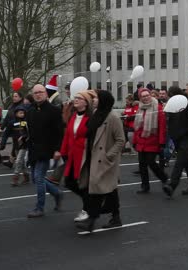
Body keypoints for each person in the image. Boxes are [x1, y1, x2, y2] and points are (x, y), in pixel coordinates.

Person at [75, 90, 125, 231]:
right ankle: (116, 217)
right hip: (92, 156)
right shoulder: (96, 115)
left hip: (103, 160)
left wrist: (109, 155)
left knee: (96, 190)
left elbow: (121, 140)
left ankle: (91, 220)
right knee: (110, 189)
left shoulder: (112, 117)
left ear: (103, 100)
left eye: (96, 98)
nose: (94, 99)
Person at [26, 85, 64, 218]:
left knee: (39, 178)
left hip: (46, 150)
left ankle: (39, 208)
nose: (38, 95)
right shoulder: (30, 110)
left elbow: (60, 132)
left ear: (46, 94)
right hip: (33, 150)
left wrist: (58, 149)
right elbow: (29, 130)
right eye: (35, 93)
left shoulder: (54, 110)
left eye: (40, 92)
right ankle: (57, 193)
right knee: (36, 179)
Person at [59, 90, 95, 223]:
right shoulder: (73, 116)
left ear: (86, 102)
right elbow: (68, 135)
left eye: (79, 98)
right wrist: (63, 152)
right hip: (72, 155)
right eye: (76, 98)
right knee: (69, 182)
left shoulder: (90, 118)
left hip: (84, 156)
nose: (76, 99)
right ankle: (91, 202)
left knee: (83, 183)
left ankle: (87, 209)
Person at [162, 86, 188, 197]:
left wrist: (183, 132)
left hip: (187, 137)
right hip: (177, 137)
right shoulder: (173, 105)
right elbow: (170, 121)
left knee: (180, 161)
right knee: (186, 162)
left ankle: (172, 185)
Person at [133, 88, 169, 194]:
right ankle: (145, 186)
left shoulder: (157, 108)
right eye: (143, 96)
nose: (146, 97)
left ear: (151, 95)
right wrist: (135, 141)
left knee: (151, 163)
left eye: (147, 95)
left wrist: (162, 142)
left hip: (153, 140)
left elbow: (162, 127)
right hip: (141, 141)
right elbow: (137, 127)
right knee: (142, 165)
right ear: (140, 98)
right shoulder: (140, 108)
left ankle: (164, 178)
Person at [0, 106, 30, 186]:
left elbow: (30, 132)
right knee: (22, 162)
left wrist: (24, 136)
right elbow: (6, 134)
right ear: (16, 113)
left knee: (18, 160)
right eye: (20, 113)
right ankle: (27, 176)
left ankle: (15, 178)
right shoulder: (12, 123)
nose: (22, 114)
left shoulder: (25, 122)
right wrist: (3, 143)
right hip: (16, 145)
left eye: (23, 113)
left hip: (24, 144)